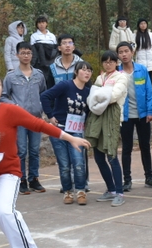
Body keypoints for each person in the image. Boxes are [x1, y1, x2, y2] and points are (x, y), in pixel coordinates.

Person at [0, 74, 91, 248]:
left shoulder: (9, 111)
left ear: (1, 91)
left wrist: (70, 138)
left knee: (5, 214)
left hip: (6, 174)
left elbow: (39, 124)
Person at [41, 61, 92, 205]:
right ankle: (67, 191)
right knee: (64, 165)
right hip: (59, 130)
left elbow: (89, 110)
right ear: (76, 72)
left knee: (79, 162)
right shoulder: (65, 85)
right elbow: (45, 96)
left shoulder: (89, 92)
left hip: (76, 132)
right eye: (83, 69)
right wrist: (50, 116)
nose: (86, 73)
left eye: (89, 71)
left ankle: (80, 191)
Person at [116, 42, 152, 192]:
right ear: (118, 55)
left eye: (126, 51)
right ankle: (127, 180)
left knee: (145, 146)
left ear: (132, 52)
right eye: (121, 52)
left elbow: (149, 91)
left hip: (143, 115)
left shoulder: (141, 69)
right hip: (125, 116)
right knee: (126, 148)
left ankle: (149, 177)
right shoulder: (116, 73)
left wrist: (150, 112)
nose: (124, 54)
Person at [3, 42, 47, 195]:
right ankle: (21, 180)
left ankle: (34, 178)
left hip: (36, 119)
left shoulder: (39, 75)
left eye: (28, 53)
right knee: (21, 150)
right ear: (17, 55)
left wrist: (41, 108)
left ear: (32, 55)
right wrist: (14, 106)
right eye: (23, 53)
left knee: (34, 150)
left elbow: (44, 93)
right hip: (19, 120)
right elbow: (3, 96)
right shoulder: (11, 76)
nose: (26, 56)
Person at [85, 51, 128, 207]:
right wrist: (102, 94)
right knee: (98, 156)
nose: (108, 64)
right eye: (105, 61)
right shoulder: (100, 78)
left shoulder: (121, 77)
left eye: (111, 61)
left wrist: (99, 95)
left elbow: (113, 96)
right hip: (97, 117)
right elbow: (91, 98)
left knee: (111, 156)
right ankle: (111, 190)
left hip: (112, 119)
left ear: (116, 63)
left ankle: (120, 193)